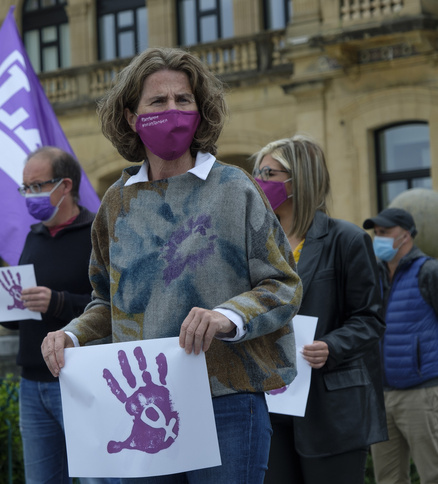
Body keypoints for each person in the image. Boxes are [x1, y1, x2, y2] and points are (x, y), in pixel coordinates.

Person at [41, 47, 302, 483]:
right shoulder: (116, 204)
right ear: (130, 116)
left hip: (229, 399)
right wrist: (70, 335)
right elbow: (107, 303)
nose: (174, 110)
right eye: (158, 102)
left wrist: (226, 315)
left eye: (184, 100)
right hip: (144, 409)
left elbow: (283, 285)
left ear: (201, 111)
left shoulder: (234, 188)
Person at [0, 146, 117, 484]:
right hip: (32, 381)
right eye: (25, 187)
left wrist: (59, 302)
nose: (30, 195)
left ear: (65, 186)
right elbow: (22, 315)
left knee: (98, 477)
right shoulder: (33, 236)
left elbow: (113, 305)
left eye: (37, 185)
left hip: (81, 377)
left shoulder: (96, 234)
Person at [252, 136, 387, 483]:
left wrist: (333, 346)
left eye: (269, 172)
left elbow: (370, 318)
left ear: (302, 178)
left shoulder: (347, 240)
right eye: (257, 172)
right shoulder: (255, 243)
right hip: (271, 404)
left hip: (330, 409)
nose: (258, 181)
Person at [363, 207, 438, 484]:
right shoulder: (373, 275)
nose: (378, 238)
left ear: (405, 235)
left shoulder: (429, 271)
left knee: (433, 474)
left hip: (423, 393)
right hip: (382, 396)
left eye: (385, 232)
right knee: (388, 479)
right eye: (376, 232)